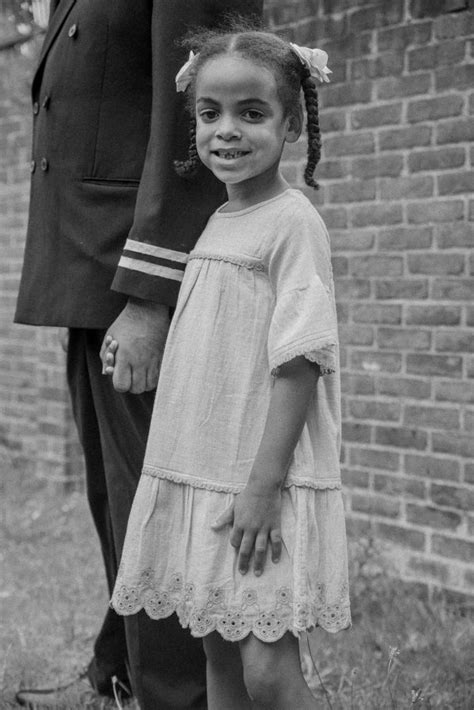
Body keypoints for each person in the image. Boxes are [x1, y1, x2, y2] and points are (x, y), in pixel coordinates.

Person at [14, 2, 263, 709]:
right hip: (91, 266)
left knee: (159, 506)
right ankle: (120, 668)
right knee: (119, 500)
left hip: (137, 273)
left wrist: (153, 293)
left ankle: (179, 697)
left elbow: (202, 108)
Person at [108, 25, 351, 710]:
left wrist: (263, 487)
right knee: (218, 656)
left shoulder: (291, 223)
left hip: (256, 482)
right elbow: (217, 342)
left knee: (269, 673)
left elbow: (301, 361)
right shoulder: (218, 222)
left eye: (252, 113)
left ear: (293, 121)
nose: (227, 131)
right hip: (205, 469)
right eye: (210, 113)